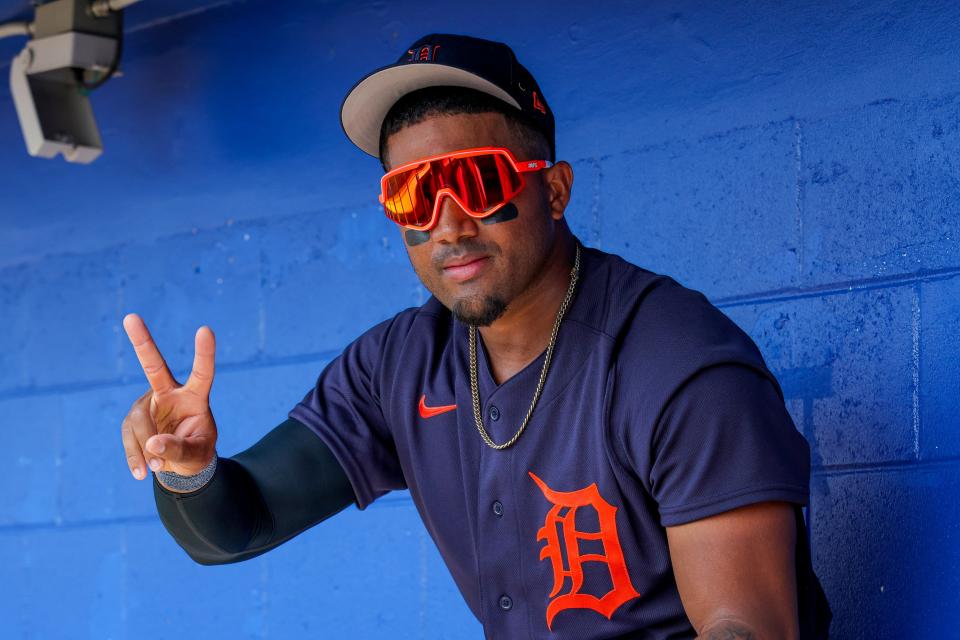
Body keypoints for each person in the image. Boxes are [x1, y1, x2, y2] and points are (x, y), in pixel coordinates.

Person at [119, 33, 831, 639]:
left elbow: (747, 630)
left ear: (552, 190)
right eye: (414, 195)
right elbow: (238, 526)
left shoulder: (674, 360)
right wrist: (189, 471)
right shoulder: (398, 366)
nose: (450, 224)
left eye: (481, 182)